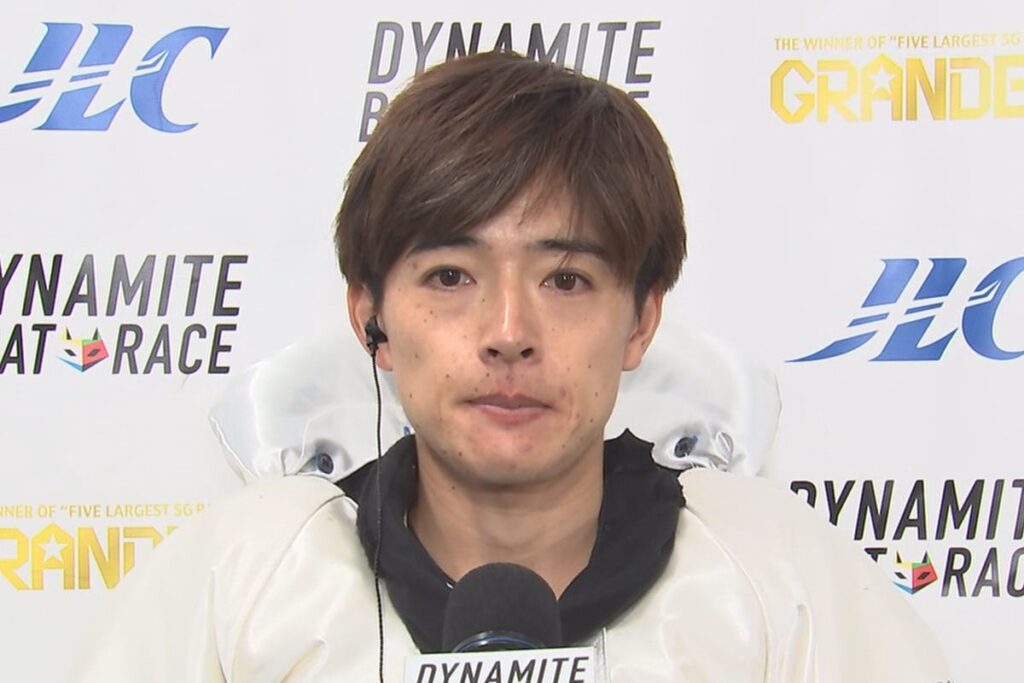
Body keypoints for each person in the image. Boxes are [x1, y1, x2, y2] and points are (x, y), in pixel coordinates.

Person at [77, 51, 950, 681]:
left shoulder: (781, 580)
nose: (507, 332)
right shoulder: (243, 578)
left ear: (641, 319)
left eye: (565, 279)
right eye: (450, 277)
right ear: (371, 318)